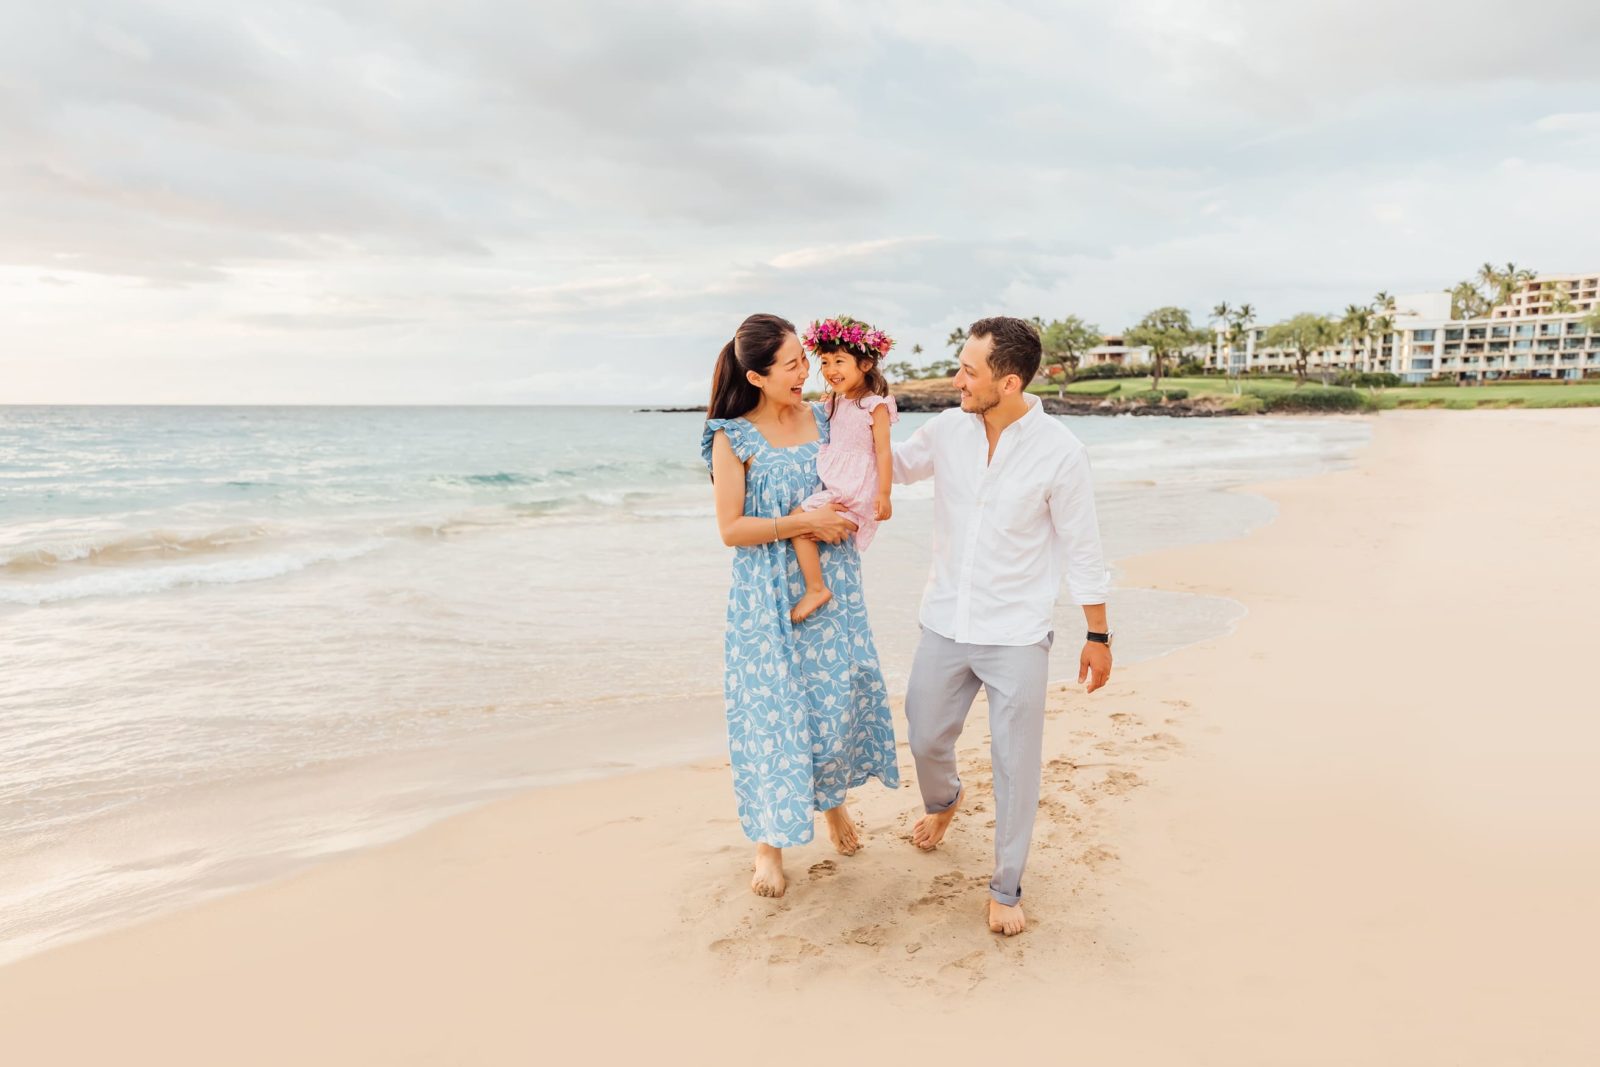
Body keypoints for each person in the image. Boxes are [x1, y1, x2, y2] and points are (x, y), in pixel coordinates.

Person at [891, 315, 1113, 936]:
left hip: (1016, 631)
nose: (956, 379)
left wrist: (1098, 635)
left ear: (1008, 382)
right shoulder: (947, 430)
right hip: (944, 620)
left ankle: (1006, 886)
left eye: (968, 370)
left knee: (1017, 763)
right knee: (925, 734)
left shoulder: (1061, 454)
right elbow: (895, 468)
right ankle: (945, 802)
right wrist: (851, 420)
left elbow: (1083, 546)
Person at [701, 313, 901, 898]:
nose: (805, 372)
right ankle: (769, 845)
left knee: (834, 699)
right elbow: (731, 529)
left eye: (804, 361)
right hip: (769, 596)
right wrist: (803, 522)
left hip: (834, 585)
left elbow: (871, 453)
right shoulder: (730, 436)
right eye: (791, 365)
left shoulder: (823, 417)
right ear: (758, 376)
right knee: (776, 715)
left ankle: (833, 801)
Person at [787, 315, 898, 624]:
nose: (830, 370)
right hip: (839, 485)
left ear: (864, 364)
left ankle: (816, 589)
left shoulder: (874, 405)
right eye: (824, 362)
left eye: (839, 361)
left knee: (798, 520)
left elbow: (883, 451)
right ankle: (816, 587)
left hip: (857, 490)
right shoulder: (836, 400)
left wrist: (885, 494)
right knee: (801, 521)